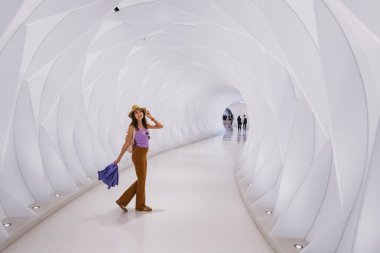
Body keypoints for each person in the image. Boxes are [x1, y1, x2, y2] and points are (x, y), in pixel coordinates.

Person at [114, 105, 163, 212]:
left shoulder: (146, 125)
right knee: (142, 180)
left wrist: (151, 117)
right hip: (138, 154)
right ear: (133, 115)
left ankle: (122, 201)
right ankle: (140, 205)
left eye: (140, 111)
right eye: (136, 112)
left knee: (142, 180)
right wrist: (119, 158)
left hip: (144, 154)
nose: (139, 113)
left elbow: (160, 126)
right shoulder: (132, 127)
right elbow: (126, 144)